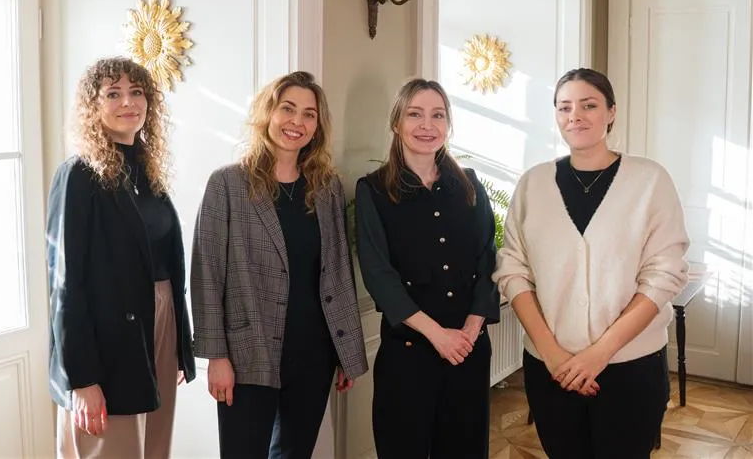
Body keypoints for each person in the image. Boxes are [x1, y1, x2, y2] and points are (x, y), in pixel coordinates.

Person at [494, 68, 689, 458]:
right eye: (564, 107)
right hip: (551, 369)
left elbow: (664, 275)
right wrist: (552, 354)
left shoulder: (650, 180)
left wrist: (600, 354)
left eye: (589, 105)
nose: (575, 116)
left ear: (611, 112)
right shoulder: (533, 184)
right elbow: (513, 270)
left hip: (631, 368)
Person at [190, 71, 368, 459]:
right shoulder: (227, 184)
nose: (296, 122)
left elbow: (338, 272)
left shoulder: (327, 188)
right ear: (267, 113)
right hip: (247, 353)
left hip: (314, 354)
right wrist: (216, 357)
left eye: (309, 114)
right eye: (287, 109)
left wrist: (346, 351)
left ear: (318, 126)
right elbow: (206, 275)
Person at [47, 56, 196, 459]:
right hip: (106, 342)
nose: (128, 102)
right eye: (113, 93)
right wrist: (82, 380)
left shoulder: (148, 172)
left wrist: (177, 346)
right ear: (92, 105)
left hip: (159, 326)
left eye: (136, 92)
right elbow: (65, 285)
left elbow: (167, 263)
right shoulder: (78, 175)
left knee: (154, 449)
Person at [355, 78, 500, 459]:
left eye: (438, 115)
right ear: (396, 123)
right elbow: (378, 275)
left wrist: (470, 330)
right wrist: (439, 336)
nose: (427, 125)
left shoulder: (470, 186)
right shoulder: (373, 191)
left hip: (468, 349)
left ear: (448, 124)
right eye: (415, 114)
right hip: (408, 354)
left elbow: (489, 258)